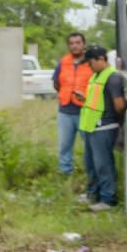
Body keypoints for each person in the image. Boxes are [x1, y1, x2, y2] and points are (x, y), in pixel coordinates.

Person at [78, 45, 127, 212]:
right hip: (91, 126)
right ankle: (92, 194)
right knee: (91, 164)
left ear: (100, 59)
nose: (89, 66)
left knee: (103, 165)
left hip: (104, 127)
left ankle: (108, 199)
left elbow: (119, 105)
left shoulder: (113, 78)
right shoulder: (96, 75)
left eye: (90, 62)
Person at [52, 32, 93, 176]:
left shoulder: (91, 62)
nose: (75, 46)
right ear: (68, 46)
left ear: (84, 44)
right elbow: (56, 83)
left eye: (78, 43)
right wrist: (65, 93)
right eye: (72, 43)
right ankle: (65, 173)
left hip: (85, 111)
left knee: (90, 145)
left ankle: (91, 173)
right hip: (65, 111)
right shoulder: (63, 62)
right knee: (64, 145)